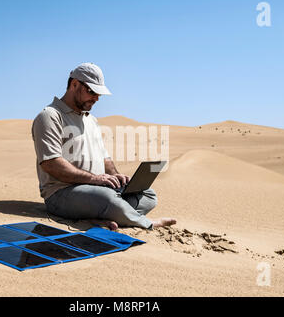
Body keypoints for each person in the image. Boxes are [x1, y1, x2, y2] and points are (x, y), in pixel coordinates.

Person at [31, 63, 176, 230]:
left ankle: (97, 217)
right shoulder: (50, 116)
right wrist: (95, 179)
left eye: (98, 93)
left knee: (148, 195)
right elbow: (51, 163)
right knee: (108, 198)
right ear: (74, 84)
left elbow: (104, 157)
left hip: (95, 189)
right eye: (92, 91)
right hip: (61, 193)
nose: (96, 98)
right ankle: (147, 223)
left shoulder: (91, 120)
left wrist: (116, 177)